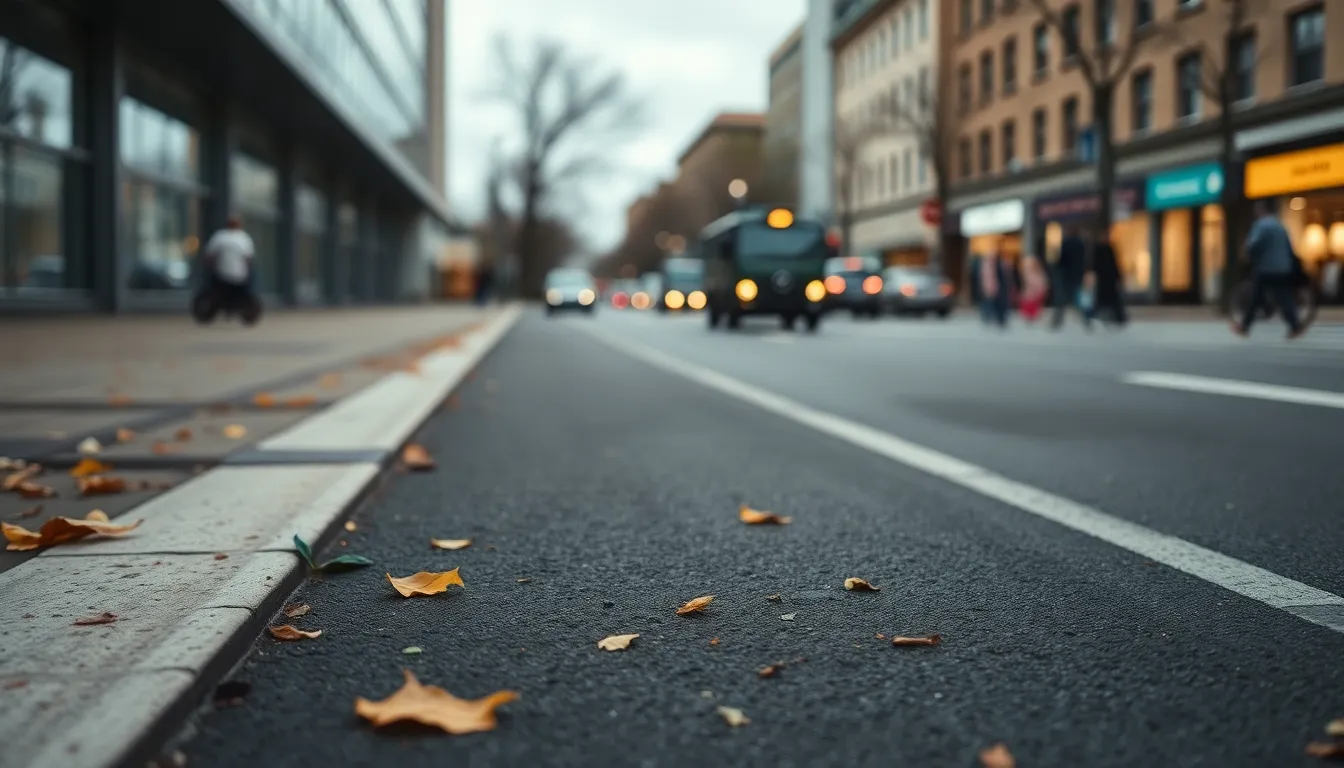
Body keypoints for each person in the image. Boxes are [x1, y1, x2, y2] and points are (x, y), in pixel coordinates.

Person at [1232, 200, 1304, 339]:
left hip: (1266, 267)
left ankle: (1245, 326)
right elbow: (1289, 247)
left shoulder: (1261, 225)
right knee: (1284, 297)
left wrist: (1248, 257)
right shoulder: (1280, 225)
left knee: (1256, 296)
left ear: (1260, 211)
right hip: (1283, 267)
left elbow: (1252, 245)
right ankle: (1295, 325)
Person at [202, 215, 256, 308]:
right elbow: (249, 258)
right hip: (240, 276)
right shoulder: (244, 238)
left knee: (211, 282)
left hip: (221, 274)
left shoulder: (219, 236)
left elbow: (209, 256)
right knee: (252, 278)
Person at [1051, 226, 1092, 330]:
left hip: (1066, 276)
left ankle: (1057, 321)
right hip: (1077, 275)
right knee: (1079, 299)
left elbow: (1061, 260)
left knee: (1061, 299)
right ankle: (1086, 320)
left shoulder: (1066, 243)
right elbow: (1085, 260)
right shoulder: (1080, 244)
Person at [1091, 234, 1128, 327]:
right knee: (1108, 299)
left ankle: (1117, 317)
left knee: (1109, 299)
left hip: (1107, 279)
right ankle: (1115, 317)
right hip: (1105, 279)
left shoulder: (1105, 249)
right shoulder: (1102, 249)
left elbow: (1112, 264)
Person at [1018, 254, 1049, 323]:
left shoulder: (1039, 273)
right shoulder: (1027, 273)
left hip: (1036, 294)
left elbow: (1043, 284)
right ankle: (1029, 314)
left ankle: (1032, 314)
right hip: (1031, 294)